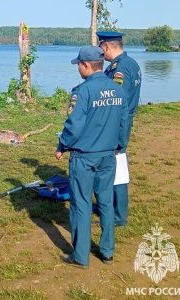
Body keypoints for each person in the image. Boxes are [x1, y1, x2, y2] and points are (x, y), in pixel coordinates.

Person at [55, 46, 128, 268]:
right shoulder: (118, 90)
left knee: (81, 204)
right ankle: (107, 252)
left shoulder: (82, 92)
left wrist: (62, 145)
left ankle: (80, 256)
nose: (78, 67)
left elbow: (74, 125)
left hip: (84, 157)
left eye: (79, 64)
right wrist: (120, 146)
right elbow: (124, 123)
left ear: (86, 65)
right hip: (108, 155)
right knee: (106, 202)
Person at [97, 31, 142, 226]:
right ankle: (112, 208)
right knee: (115, 164)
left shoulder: (120, 69)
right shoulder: (131, 63)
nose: (101, 53)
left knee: (115, 167)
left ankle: (118, 214)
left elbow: (115, 101)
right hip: (123, 121)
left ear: (106, 46)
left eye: (101, 48)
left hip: (117, 123)